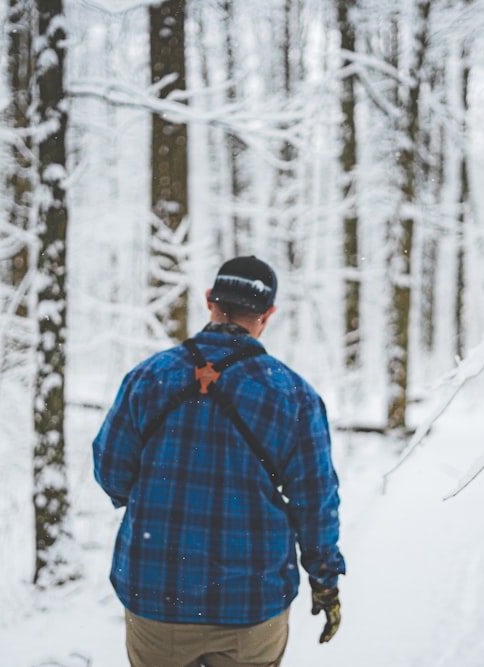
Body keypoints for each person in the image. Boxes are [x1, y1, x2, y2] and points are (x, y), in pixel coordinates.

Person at [93, 256, 345, 667]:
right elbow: (316, 502)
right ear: (268, 314)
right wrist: (325, 581)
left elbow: (111, 471)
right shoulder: (293, 395)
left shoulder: (147, 378)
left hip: (155, 596)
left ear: (209, 300)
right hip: (251, 603)